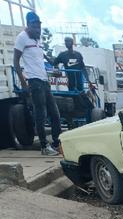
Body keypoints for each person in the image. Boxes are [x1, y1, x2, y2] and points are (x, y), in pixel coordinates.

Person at [13, 11, 62, 155]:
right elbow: (16, 61)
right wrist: (23, 82)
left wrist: (52, 65)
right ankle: (44, 146)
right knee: (41, 114)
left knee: (55, 114)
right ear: (28, 25)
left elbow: (40, 59)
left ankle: (56, 143)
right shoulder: (22, 38)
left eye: (39, 26)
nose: (38, 29)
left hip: (44, 81)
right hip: (34, 82)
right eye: (35, 26)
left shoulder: (37, 40)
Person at [54, 37, 94, 123]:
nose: (66, 43)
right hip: (71, 85)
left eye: (68, 41)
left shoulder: (78, 55)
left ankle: (89, 121)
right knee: (72, 102)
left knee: (86, 104)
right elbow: (54, 63)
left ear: (72, 43)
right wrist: (55, 68)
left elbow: (83, 68)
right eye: (65, 41)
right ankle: (70, 121)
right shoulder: (62, 55)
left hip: (80, 85)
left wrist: (89, 81)